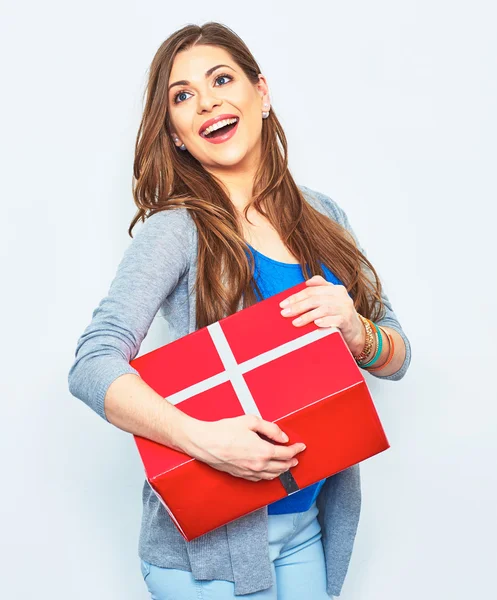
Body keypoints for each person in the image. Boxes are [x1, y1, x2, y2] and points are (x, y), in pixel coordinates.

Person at [68, 21, 412, 600]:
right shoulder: (175, 231)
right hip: (208, 553)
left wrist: (358, 332)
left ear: (263, 93)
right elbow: (91, 364)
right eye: (183, 96)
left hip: (307, 530)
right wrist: (203, 439)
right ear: (176, 134)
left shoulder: (324, 216)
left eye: (221, 79)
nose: (207, 102)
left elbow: (397, 356)